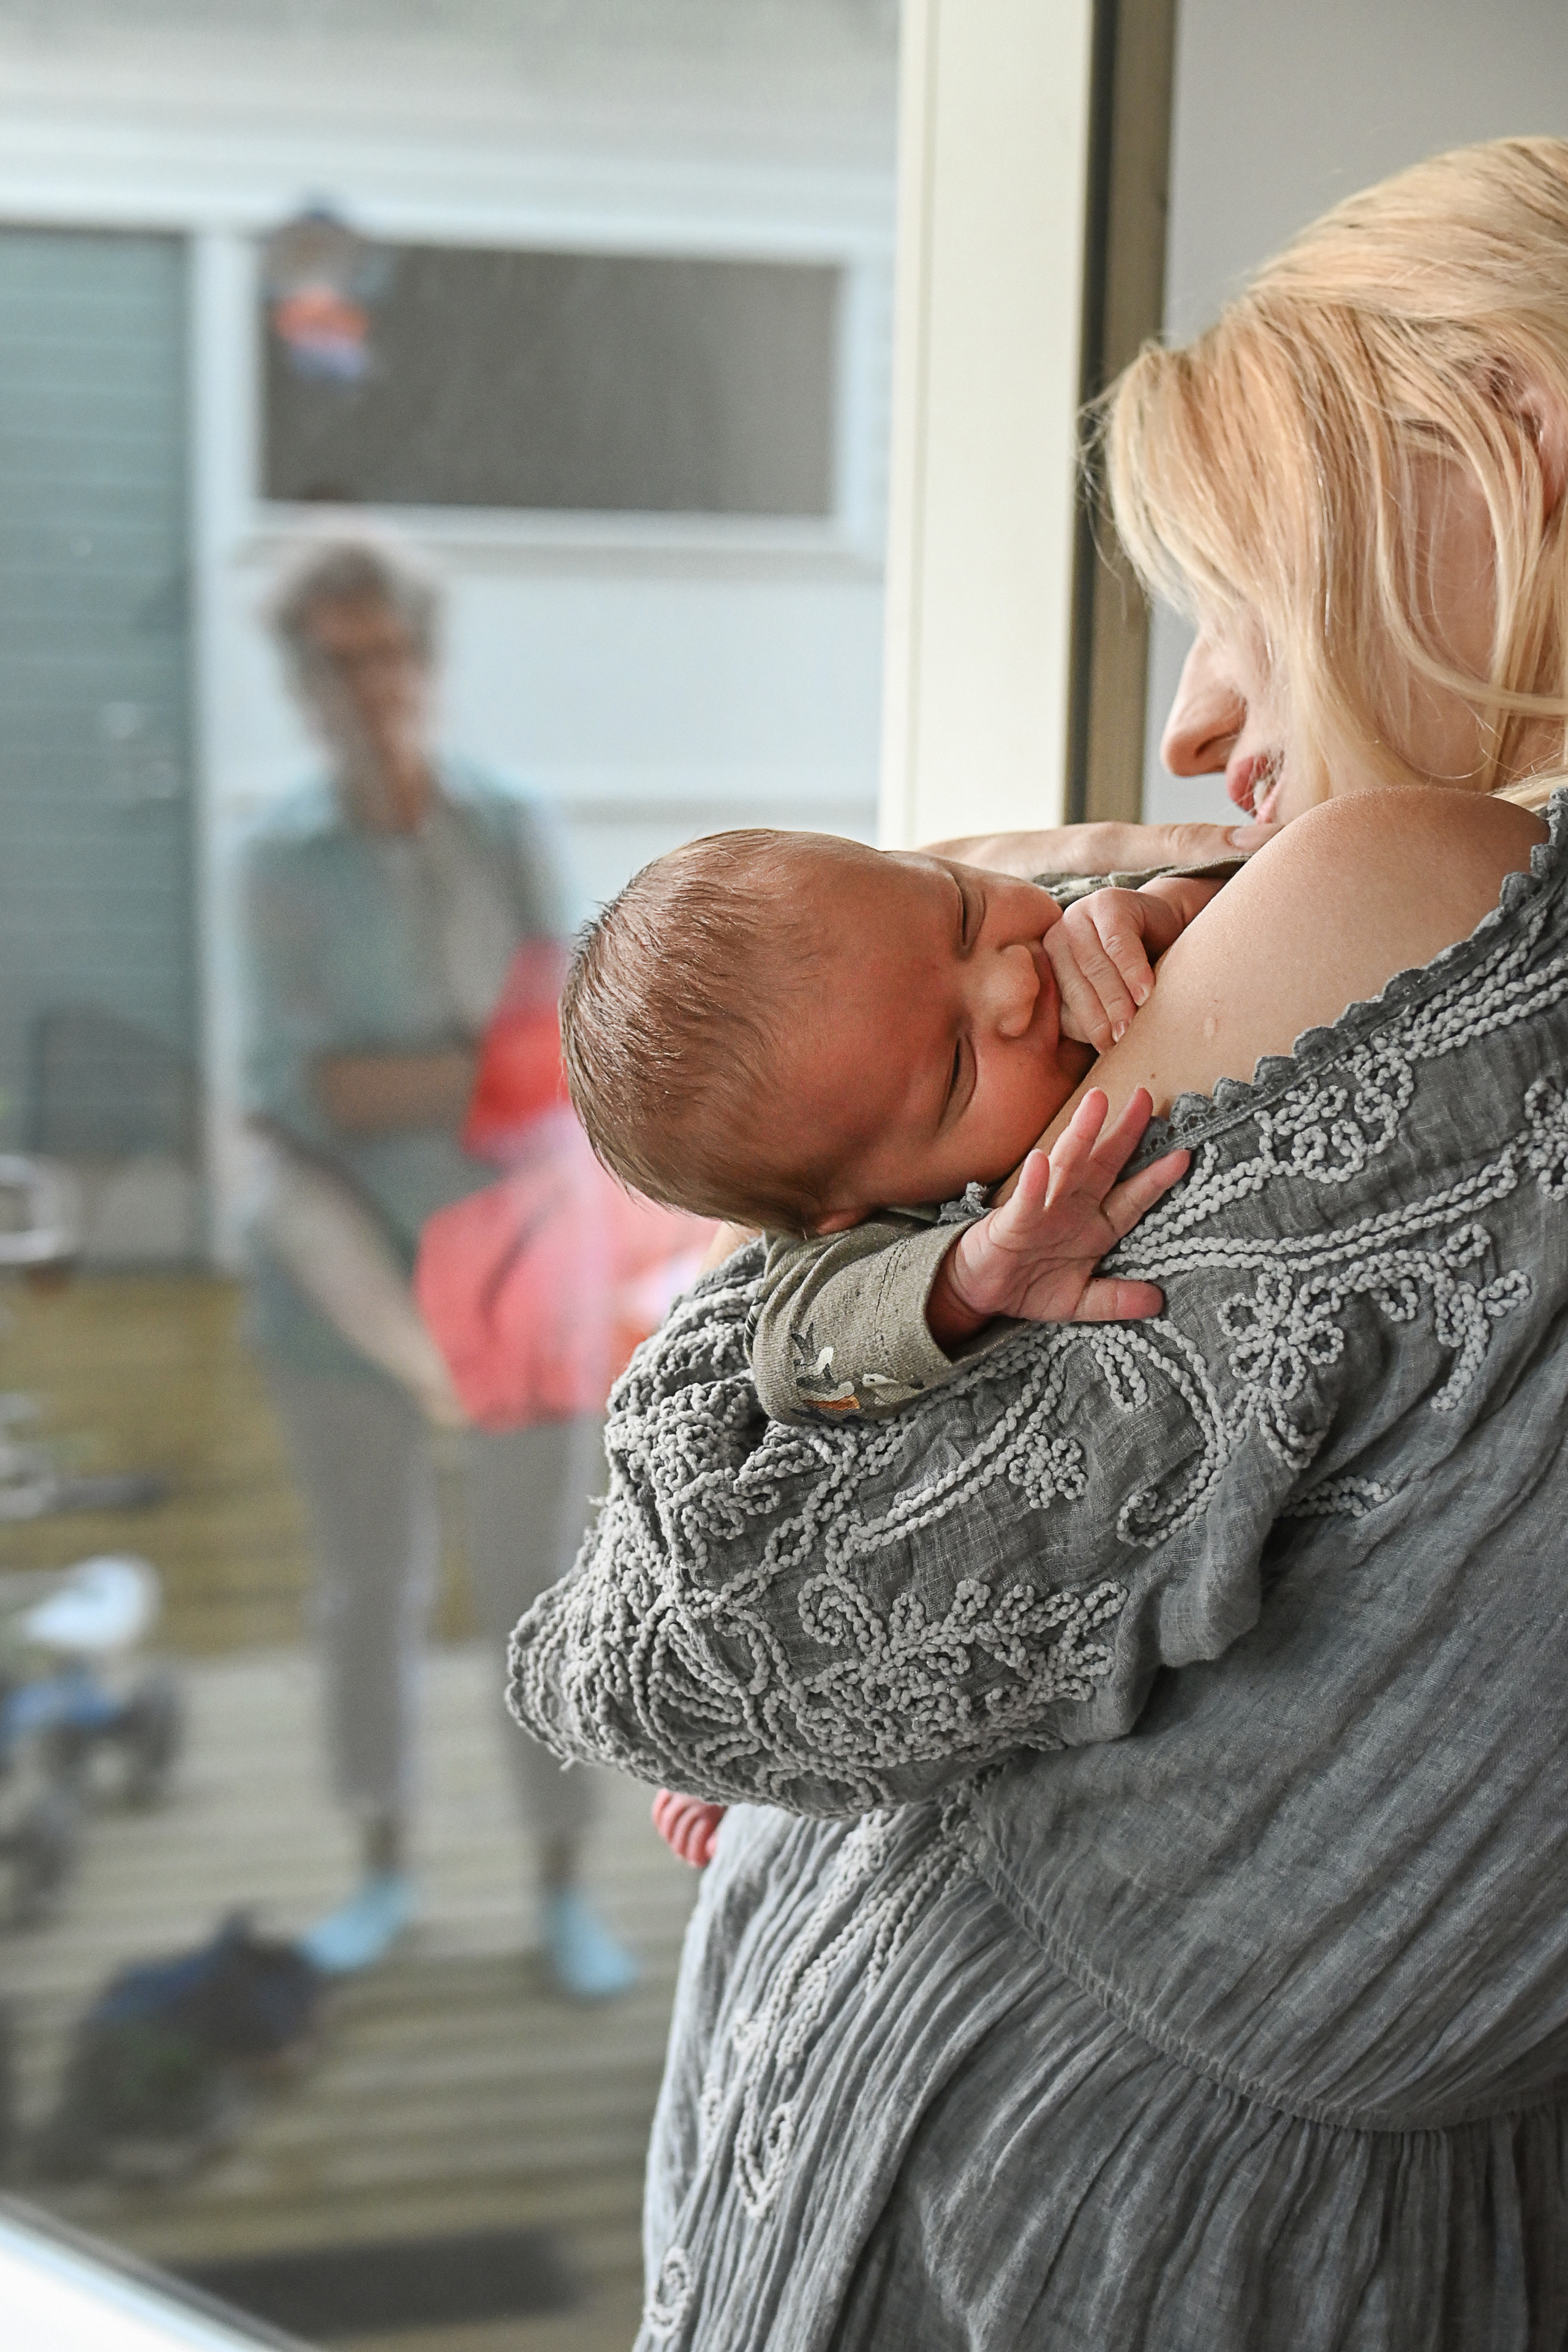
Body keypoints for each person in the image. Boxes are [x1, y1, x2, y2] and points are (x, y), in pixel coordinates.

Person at [508, 138, 1568, 2346]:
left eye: (1246, 581)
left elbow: (691, 1651)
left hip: (1046, 2194)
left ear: (1521, 435)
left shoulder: (1418, 884)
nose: (1195, 713)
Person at [240, 531, 636, 1997]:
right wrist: (477, 1070)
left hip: (517, 1263)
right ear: (301, 684)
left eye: (385, 653)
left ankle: (557, 1883)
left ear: (422, 660)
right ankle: (383, 1870)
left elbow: (559, 1057)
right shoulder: (275, 860)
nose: (366, 687)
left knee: (537, 1578)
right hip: (336, 1280)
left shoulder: (506, 825)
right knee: (367, 1587)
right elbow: (303, 1093)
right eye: (333, 664)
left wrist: (440, 1073)